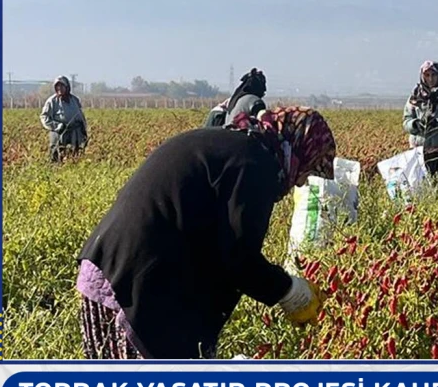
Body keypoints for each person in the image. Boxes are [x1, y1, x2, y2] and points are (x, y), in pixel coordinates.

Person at [75, 105, 336, 359]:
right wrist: (290, 291)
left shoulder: (233, 146)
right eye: (309, 169)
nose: (300, 182)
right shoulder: (255, 164)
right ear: (301, 150)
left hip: (110, 269)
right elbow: (239, 259)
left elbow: (216, 246)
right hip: (133, 288)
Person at [402, 61, 438, 186]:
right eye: (427, 75)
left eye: (434, 75)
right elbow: (406, 120)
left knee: (436, 185)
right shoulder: (414, 97)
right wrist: (415, 124)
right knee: (417, 186)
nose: (430, 79)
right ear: (422, 77)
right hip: (418, 150)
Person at [40, 76, 88, 163]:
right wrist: (57, 126)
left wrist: (84, 131)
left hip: (74, 133)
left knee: (74, 155)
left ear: (67, 87)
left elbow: (80, 116)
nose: (59, 88)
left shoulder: (74, 100)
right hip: (59, 133)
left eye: (62, 86)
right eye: (57, 86)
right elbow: (44, 117)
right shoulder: (52, 101)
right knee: (57, 155)